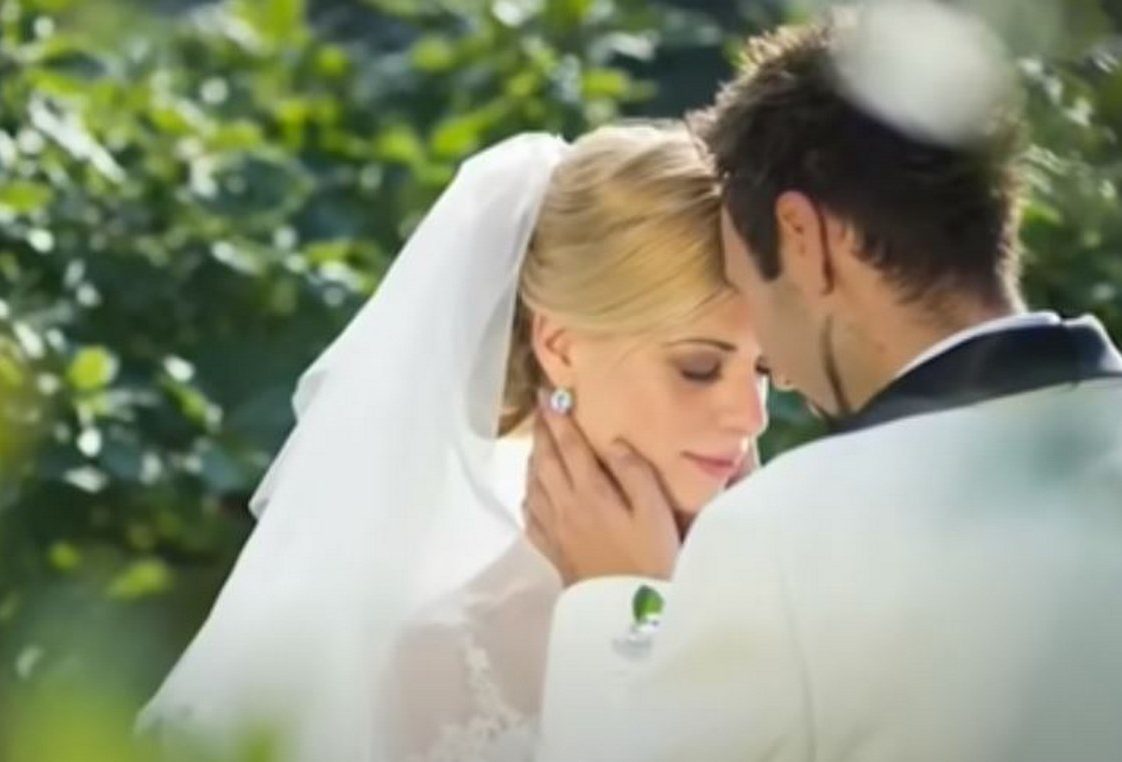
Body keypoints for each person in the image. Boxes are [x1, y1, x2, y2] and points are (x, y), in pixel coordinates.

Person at [529, 11, 1122, 762]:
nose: (773, 383)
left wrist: (619, 607)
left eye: (753, 287)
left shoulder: (778, 540)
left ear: (804, 238)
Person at [137, 124, 768, 762]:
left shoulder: (786, 593)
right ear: (559, 347)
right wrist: (639, 613)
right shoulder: (443, 665)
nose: (752, 416)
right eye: (699, 368)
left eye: (765, 369)